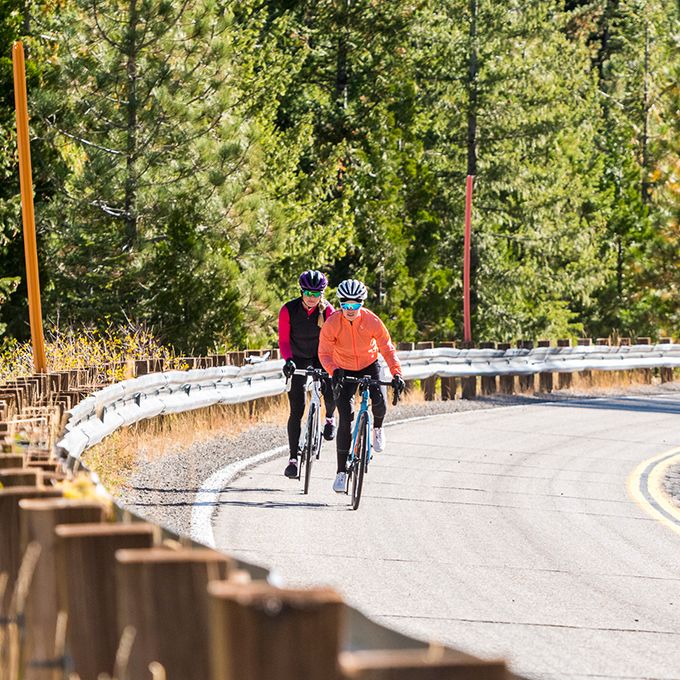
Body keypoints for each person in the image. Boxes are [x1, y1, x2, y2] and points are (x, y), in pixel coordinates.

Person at [318, 278, 406, 493]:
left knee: (380, 402)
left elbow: (387, 348)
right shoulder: (332, 323)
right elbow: (324, 353)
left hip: (369, 363)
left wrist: (396, 373)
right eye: (345, 305)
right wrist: (333, 371)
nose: (350, 309)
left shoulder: (372, 321)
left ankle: (377, 428)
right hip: (343, 367)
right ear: (340, 304)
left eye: (355, 305)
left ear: (362, 304)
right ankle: (340, 473)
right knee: (345, 417)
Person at [278, 269, 337, 479]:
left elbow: (334, 340)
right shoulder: (288, 310)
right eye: (307, 293)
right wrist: (288, 361)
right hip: (298, 358)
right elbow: (284, 341)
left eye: (316, 293)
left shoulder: (328, 311)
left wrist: (331, 363)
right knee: (297, 408)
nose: (311, 298)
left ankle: (330, 418)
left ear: (322, 293)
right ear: (301, 291)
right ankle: (293, 459)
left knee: (331, 393)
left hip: (322, 356)